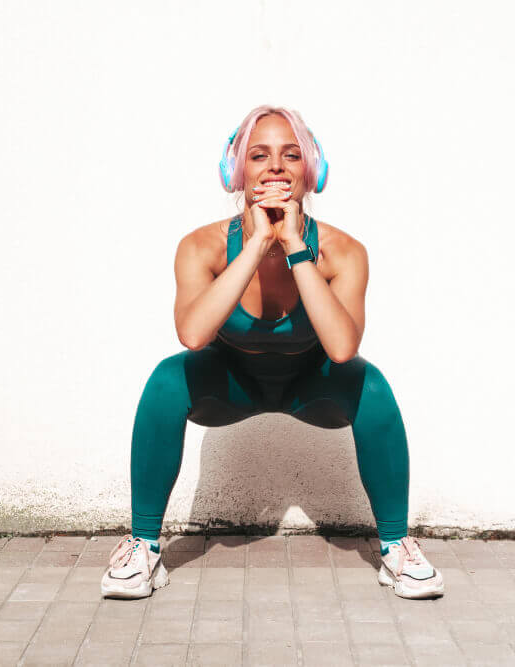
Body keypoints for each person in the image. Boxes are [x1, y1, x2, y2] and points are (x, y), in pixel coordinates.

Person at [100, 105, 444, 600]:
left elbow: (342, 348)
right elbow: (193, 334)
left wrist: (296, 246)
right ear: (237, 171)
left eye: (291, 155)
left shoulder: (344, 251)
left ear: (312, 170)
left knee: (371, 386)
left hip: (311, 385)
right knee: (166, 380)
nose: (276, 167)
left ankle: (396, 547)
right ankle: (142, 547)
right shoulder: (202, 246)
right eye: (259, 155)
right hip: (231, 384)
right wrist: (259, 242)